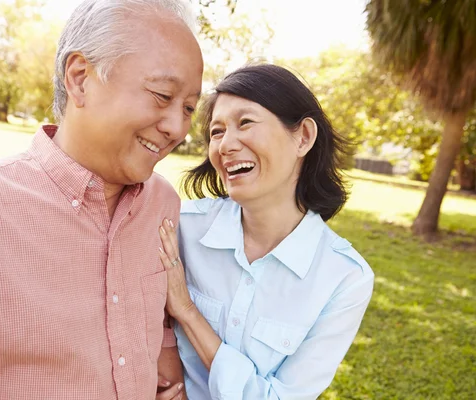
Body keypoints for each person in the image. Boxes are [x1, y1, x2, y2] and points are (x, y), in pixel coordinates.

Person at [0, 0, 202, 398]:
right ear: (80, 78)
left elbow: (154, 324)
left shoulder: (163, 204)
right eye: (161, 95)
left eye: (188, 108)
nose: (176, 127)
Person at [157, 64, 375, 399]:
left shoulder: (345, 278)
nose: (226, 145)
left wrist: (186, 311)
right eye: (216, 132)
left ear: (303, 136)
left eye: (245, 123)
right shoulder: (180, 226)